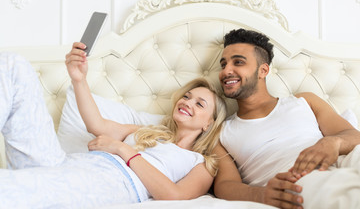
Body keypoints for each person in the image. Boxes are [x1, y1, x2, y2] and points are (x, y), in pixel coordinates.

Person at [0, 43, 227, 208]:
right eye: (187, 96)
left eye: (200, 104)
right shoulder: (149, 132)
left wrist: (124, 150)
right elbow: (96, 124)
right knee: (13, 66)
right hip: (66, 163)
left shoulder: (202, 163)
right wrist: (79, 79)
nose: (188, 102)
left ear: (209, 122)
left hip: (111, 183)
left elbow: (174, 196)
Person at [212, 29, 360, 209]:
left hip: (344, 158)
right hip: (297, 179)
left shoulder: (304, 101)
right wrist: (260, 195)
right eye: (223, 64)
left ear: (263, 70)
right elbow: (224, 185)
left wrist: (334, 143)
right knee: (345, 193)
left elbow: (354, 135)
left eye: (238, 62)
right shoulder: (221, 132)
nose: (226, 71)